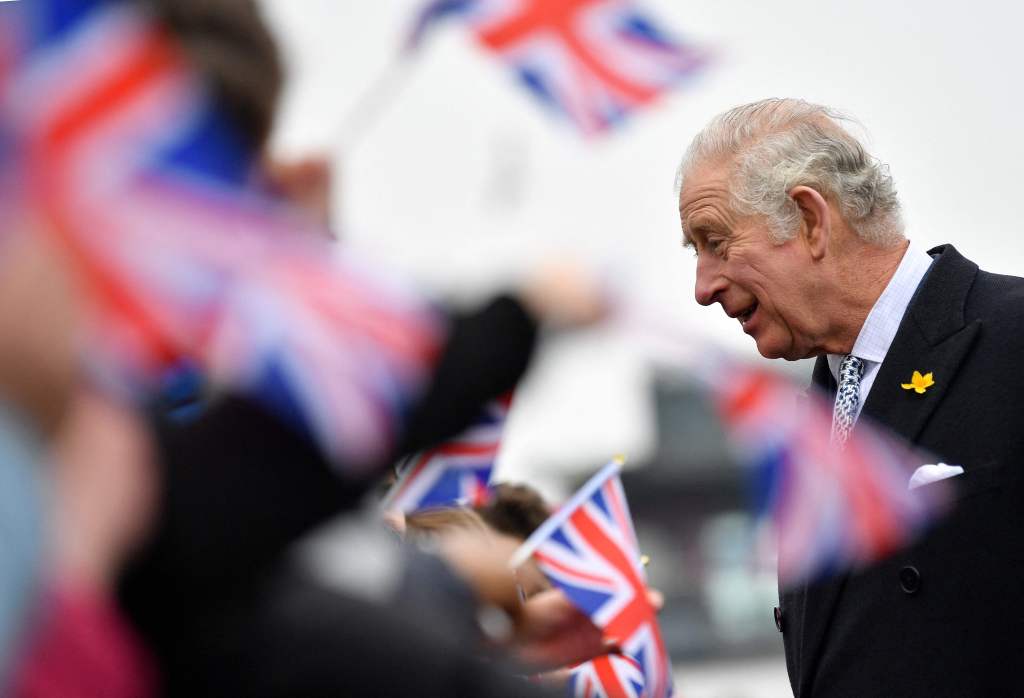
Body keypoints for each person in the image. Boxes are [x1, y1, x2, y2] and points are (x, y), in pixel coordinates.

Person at [676, 98, 1024, 698]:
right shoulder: (808, 422)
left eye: (716, 241)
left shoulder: (1013, 341)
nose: (703, 288)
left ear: (810, 219)